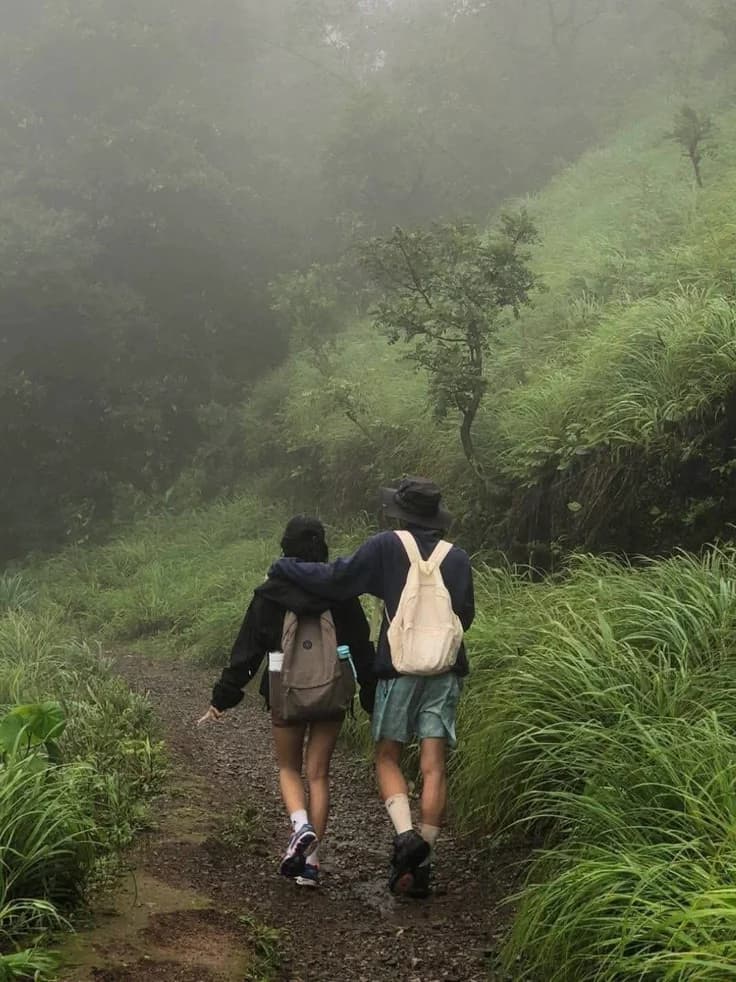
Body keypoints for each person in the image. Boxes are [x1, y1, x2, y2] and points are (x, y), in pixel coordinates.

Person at [269, 478, 474, 898]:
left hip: (397, 670)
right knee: (434, 765)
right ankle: (422, 860)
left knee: (387, 756)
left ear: (399, 513)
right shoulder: (458, 558)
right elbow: (464, 617)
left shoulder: (386, 546)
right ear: (436, 518)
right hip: (446, 671)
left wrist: (284, 566)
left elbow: (334, 580)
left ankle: (405, 837)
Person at [197, 516, 375, 889]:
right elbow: (361, 642)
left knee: (288, 769)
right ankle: (310, 864)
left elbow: (246, 652)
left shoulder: (270, 593)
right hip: (332, 691)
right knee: (319, 774)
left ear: (285, 547)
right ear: (322, 547)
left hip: (285, 691)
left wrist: (222, 699)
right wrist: (372, 692)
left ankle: (300, 825)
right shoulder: (340, 590)